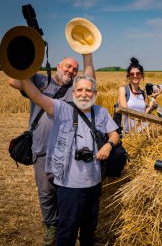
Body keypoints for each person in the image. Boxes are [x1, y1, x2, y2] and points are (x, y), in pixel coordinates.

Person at [18, 74, 119, 246]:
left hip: (94, 183)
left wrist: (108, 145)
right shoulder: (62, 109)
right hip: (68, 185)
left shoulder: (101, 112)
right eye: (79, 90)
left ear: (95, 93)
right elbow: (37, 96)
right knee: (67, 229)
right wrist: (22, 73)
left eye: (88, 90)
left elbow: (115, 134)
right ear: (73, 93)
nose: (84, 94)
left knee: (90, 226)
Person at [8, 55, 94, 246]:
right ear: (58, 66)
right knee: (46, 191)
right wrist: (29, 60)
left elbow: (90, 78)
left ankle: (64, 226)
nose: (71, 71)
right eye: (68, 67)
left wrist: (87, 54)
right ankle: (50, 226)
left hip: (66, 150)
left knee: (65, 191)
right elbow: (13, 80)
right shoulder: (40, 80)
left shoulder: (74, 88)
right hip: (41, 146)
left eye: (74, 69)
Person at [116, 57, 161, 132]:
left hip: (139, 133)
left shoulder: (143, 93)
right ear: (128, 75)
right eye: (132, 74)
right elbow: (126, 111)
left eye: (138, 73)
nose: (135, 76)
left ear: (142, 75)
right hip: (126, 133)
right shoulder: (123, 90)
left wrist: (153, 97)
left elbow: (145, 113)